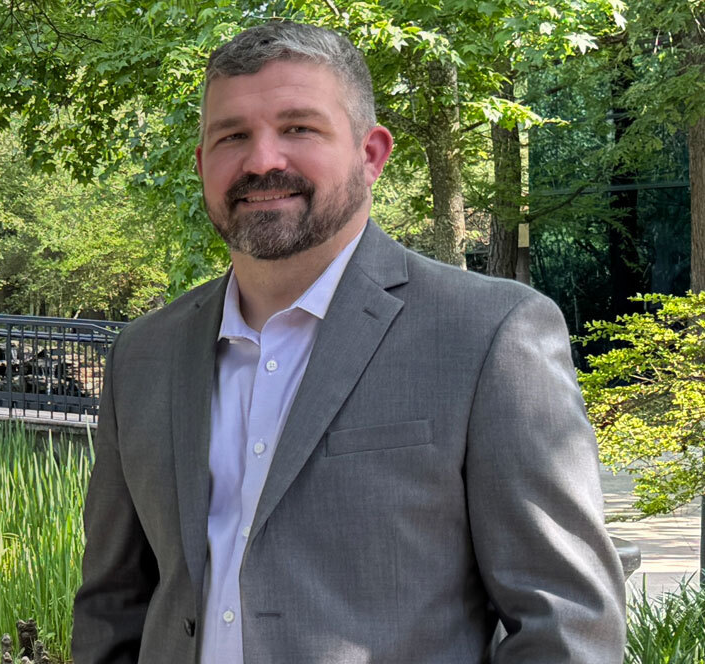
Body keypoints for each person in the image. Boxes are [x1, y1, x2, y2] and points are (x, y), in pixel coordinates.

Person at [72, 20, 624, 663]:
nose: (262, 160)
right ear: (202, 164)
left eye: (298, 128)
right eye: (232, 136)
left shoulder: (489, 335)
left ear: (371, 154)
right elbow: (112, 610)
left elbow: (567, 624)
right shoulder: (144, 357)